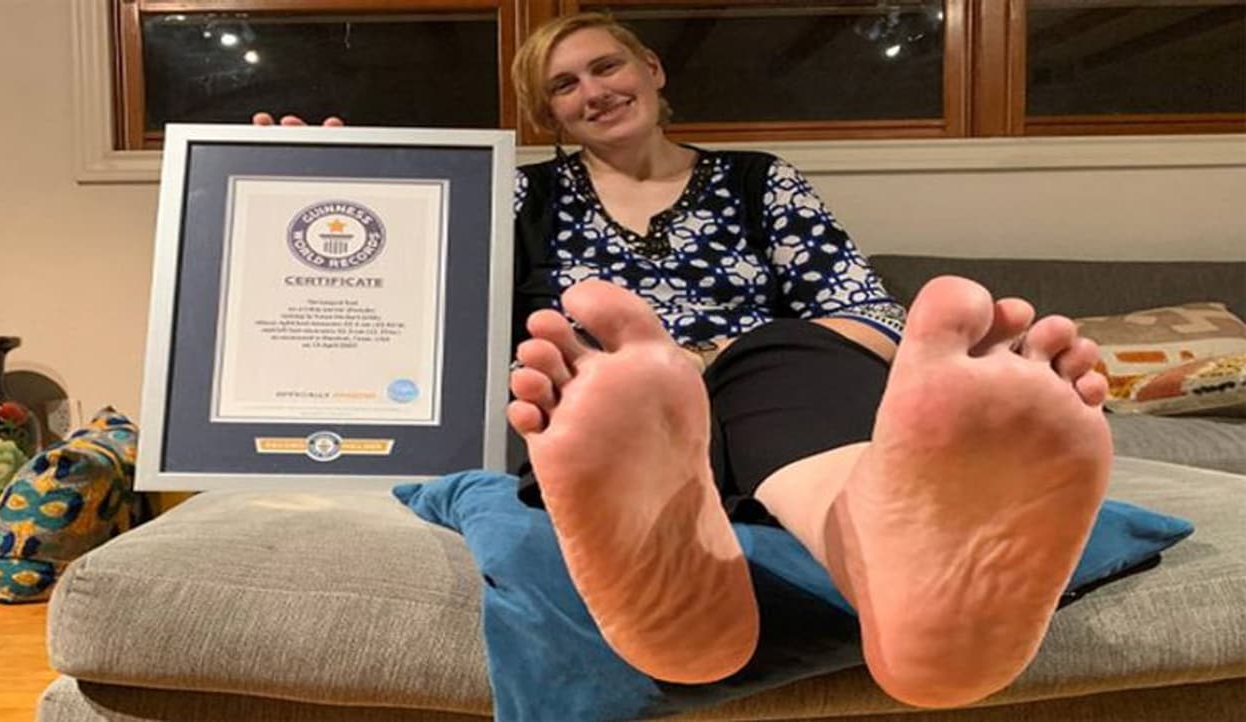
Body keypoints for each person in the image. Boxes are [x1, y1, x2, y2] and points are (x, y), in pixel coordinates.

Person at [254, 11, 1113, 709]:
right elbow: (407, 290)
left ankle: (891, 559)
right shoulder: (520, 199)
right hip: (613, 410)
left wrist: (707, 359)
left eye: (605, 67)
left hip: (770, 385)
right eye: (563, 86)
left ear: (652, 69)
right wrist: (326, 175)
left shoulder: (759, 181)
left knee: (783, 356)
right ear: (549, 116)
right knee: (612, 394)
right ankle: (694, 522)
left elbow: (864, 313)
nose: (592, 91)